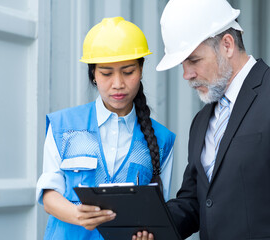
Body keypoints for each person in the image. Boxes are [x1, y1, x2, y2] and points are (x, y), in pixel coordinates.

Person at [133, 0, 270, 239]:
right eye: (182, 64)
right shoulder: (201, 122)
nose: (186, 74)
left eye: (194, 60)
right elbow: (194, 203)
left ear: (227, 45)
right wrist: (146, 223)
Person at [36, 16, 175, 240]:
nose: (118, 83)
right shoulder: (63, 126)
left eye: (128, 72)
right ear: (93, 74)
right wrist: (76, 214)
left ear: (141, 70)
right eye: (106, 73)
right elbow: (49, 195)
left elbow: (156, 211)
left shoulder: (161, 139)